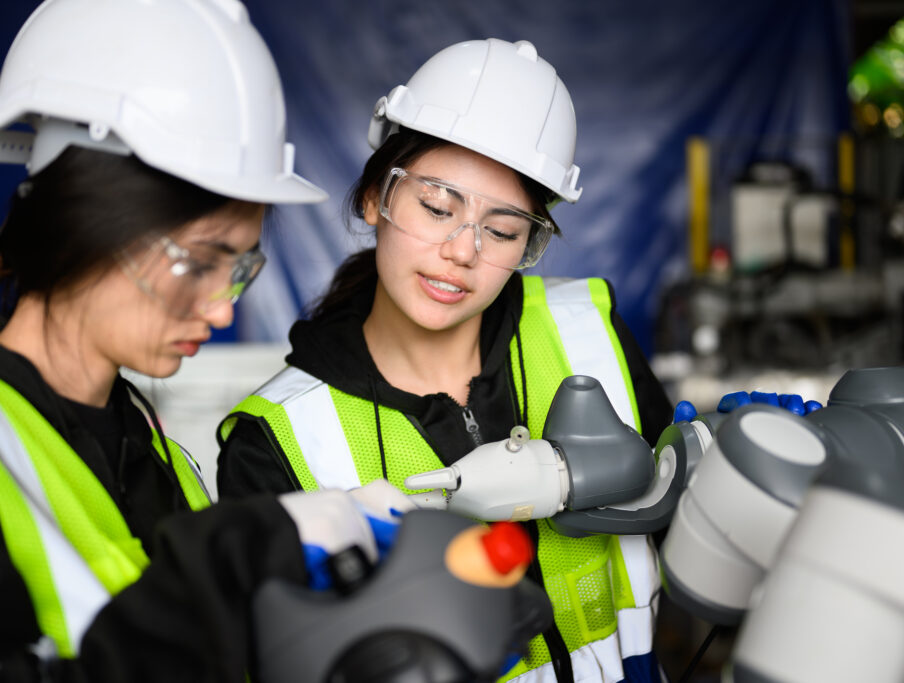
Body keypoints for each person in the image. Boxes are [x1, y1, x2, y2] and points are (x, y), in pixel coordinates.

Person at [0, 1, 425, 680]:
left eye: (239, 270)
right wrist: (229, 561)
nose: (221, 312)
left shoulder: (154, 452)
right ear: (90, 220)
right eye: (197, 263)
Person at [217, 38, 674, 683]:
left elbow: (674, 508)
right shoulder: (278, 438)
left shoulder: (587, 331)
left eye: (504, 229)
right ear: (376, 197)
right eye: (437, 208)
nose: (463, 250)